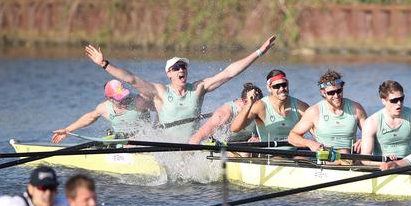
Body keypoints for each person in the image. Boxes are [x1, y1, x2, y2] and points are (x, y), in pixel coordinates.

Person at [85, 35, 276, 141]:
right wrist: (105, 64)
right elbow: (132, 80)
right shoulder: (160, 92)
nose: (181, 70)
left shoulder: (198, 88)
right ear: (169, 73)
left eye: (183, 66)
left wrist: (259, 52)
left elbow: (229, 72)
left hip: (190, 146)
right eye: (176, 68)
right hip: (163, 150)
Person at [288, 69, 367, 154]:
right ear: (323, 93)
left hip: (350, 157)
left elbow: (373, 134)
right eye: (331, 93)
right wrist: (309, 143)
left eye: (339, 91)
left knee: (345, 152)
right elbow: (292, 136)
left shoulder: (356, 109)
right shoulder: (314, 112)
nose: (336, 96)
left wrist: (364, 140)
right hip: (326, 158)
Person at [52, 79, 152, 143]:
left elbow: (161, 109)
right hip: (120, 142)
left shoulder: (140, 102)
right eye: (119, 98)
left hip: (144, 141)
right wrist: (67, 130)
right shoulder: (104, 108)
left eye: (124, 96)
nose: (124, 100)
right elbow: (89, 118)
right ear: (109, 98)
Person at [230, 70, 309, 145]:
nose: (281, 89)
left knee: (301, 158)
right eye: (277, 86)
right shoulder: (260, 106)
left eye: (284, 85)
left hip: (296, 153)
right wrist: (249, 104)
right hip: (271, 154)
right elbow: (235, 128)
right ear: (269, 88)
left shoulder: (300, 106)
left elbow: (316, 127)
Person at [360, 80, 411, 162]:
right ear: (383, 101)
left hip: (407, 164)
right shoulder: (371, 122)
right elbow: (365, 159)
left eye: (401, 99)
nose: (399, 103)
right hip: (382, 166)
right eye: (394, 100)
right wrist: (387, 165)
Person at [189, 83, 263, 144]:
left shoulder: (261, 110)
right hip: (222, 146)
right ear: (243, 101)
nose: (255, 108)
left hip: (243, 146)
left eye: (257, 104)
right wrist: (186, 157)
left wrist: (259, 138)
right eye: (252, 103)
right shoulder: (223, 114)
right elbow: (198, 136)